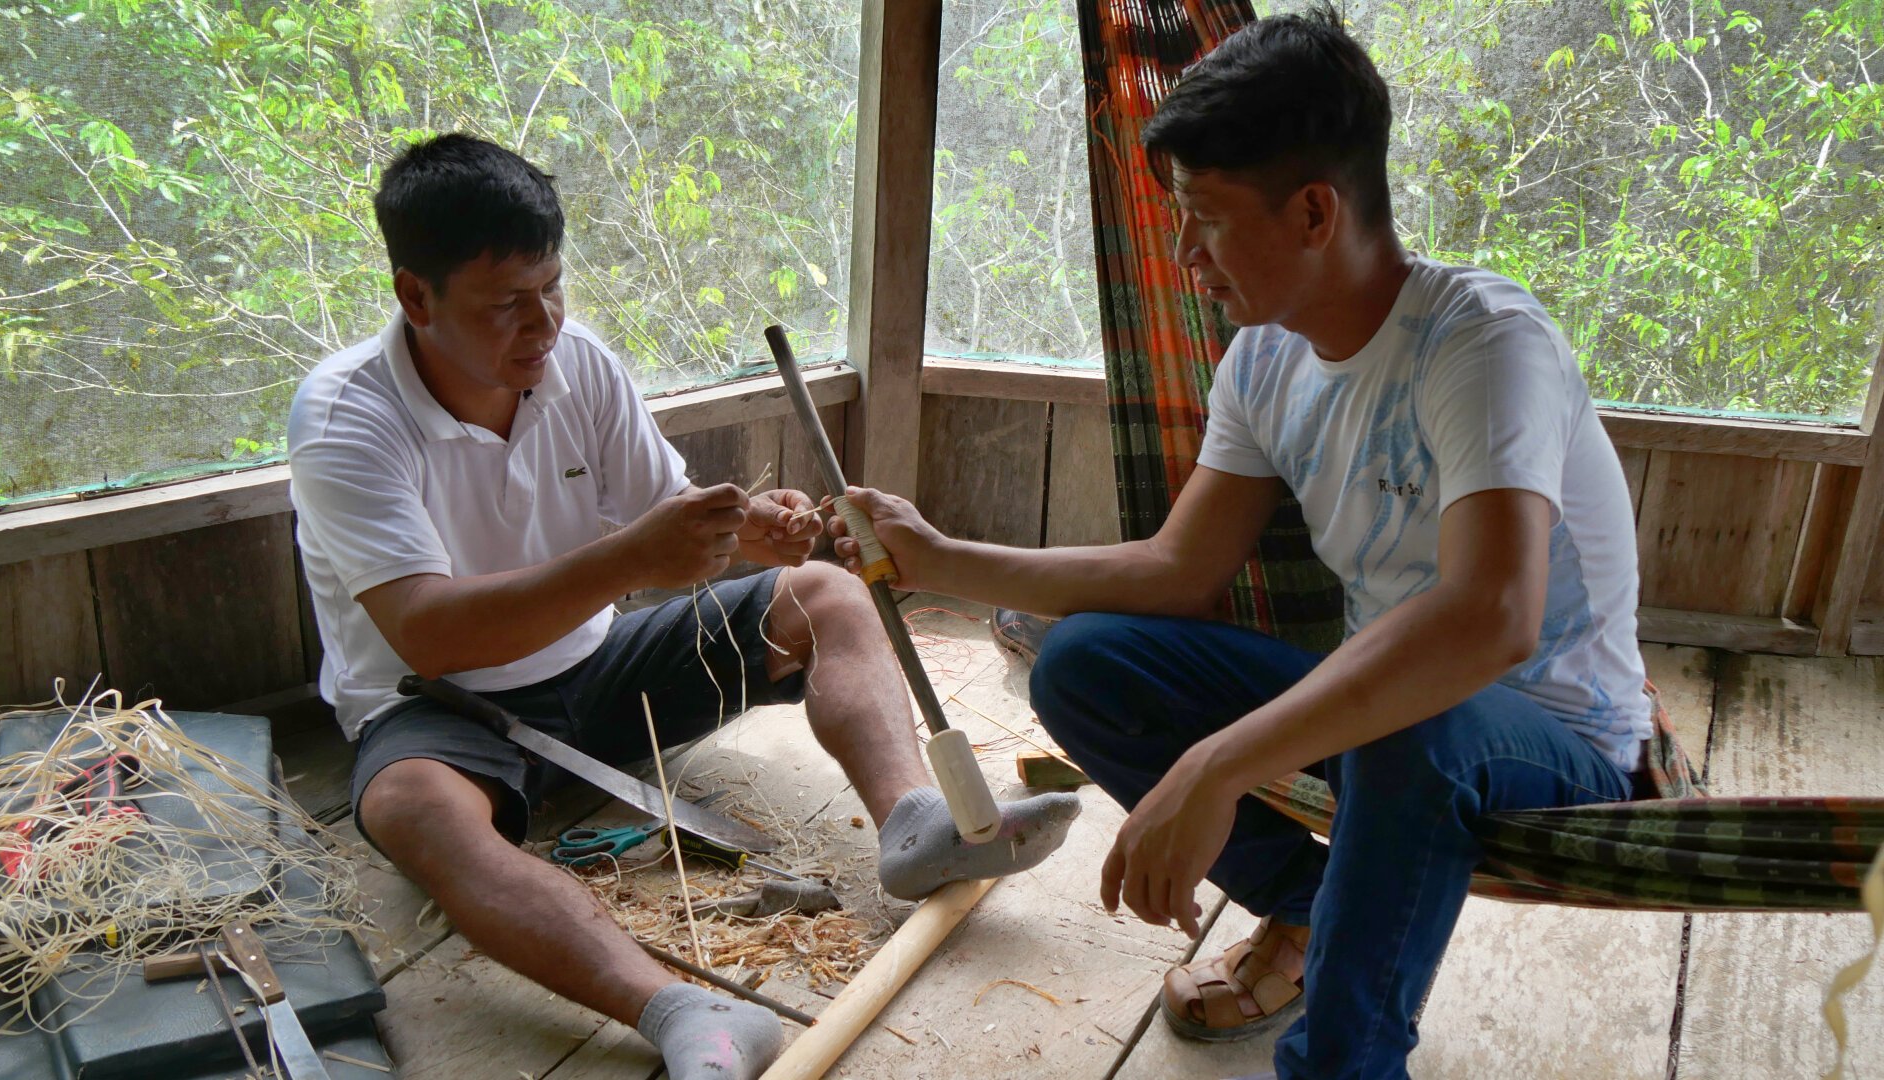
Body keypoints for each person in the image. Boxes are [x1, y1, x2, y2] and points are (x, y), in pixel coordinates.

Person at [829, 9, 1652, 1078]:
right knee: (1084, 662)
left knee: (1417, 711)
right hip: (1389, 722)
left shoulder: (1483, 345)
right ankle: (1319, 907)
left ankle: (1343, 1062)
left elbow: (1490, 621)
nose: (1184, 256)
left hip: (1552, 744)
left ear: (1316, 211)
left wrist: (1219, 766)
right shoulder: (1266, 362)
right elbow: (1177, 570)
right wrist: (940, 556)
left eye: (1206, 218)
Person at [286, 133, 1081, 1080]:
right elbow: (429, 631)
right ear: (417, 297)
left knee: (824, 590)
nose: (541, 323)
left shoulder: (578, 362)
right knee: (411, 807)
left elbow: (667, 521)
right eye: (505, 303)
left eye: (553, 287)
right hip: (440, 707)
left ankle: (914, 827)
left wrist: (755, 532)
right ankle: (681, 1013)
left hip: (598, 664)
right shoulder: (346, 417)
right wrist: (633, 559)